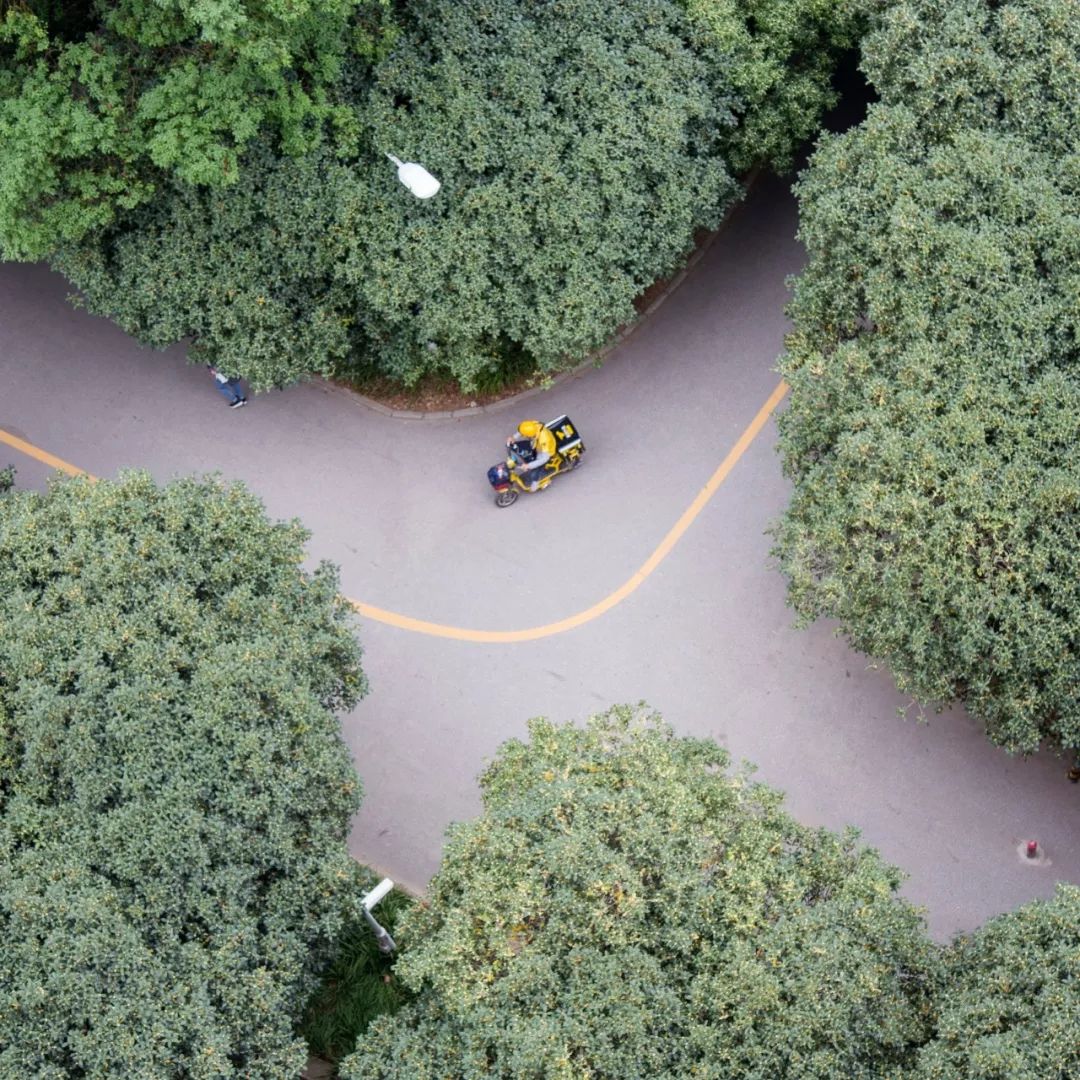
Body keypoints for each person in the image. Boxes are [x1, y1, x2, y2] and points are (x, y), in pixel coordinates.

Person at [508, 419, 556, 491]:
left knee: (535, 469)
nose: (523, 436)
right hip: (536, 444)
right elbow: (523, 431)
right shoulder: (532, 425)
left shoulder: (544, 439)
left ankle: (535, 481)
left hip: (545, 451)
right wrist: (514, 437)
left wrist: (529, 465)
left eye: (525, 435)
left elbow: (544, 458)